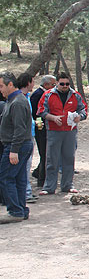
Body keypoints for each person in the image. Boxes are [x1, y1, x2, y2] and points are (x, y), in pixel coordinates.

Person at [37, 72, 87, 195]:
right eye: (62, 84)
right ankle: (49, 186)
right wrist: (53, 118)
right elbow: (41, 111)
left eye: (67, 84)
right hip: (54, 131)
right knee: (52, 159)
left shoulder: (75, 95)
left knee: (69, 158)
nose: (65, 86)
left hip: (70, 131)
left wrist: (79, 117)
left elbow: (84, 110)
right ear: (57, 83)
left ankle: (67, 185)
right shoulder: (48, 95)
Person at [0, 72, 33, 224]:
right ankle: (21, 209)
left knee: (6, 177)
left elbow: (19, 129)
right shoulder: (11, 101)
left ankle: (15, 211)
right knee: (19, 178)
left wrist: (13, 150)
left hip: (17, 146)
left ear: (10, 85)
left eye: (1, 86)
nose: (0, 89)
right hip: (19, 145)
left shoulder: (18, 102)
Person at [30, 75, 55, 188]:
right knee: (44, 154)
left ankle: (38, 172)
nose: (54, 87)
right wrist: (41, 126)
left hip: (46, 127)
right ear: (46, 85)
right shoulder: (38, 95)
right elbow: (36, 113)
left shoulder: (47, 94)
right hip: (40, 128)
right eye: (53, 85)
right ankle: (41, 179)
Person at [16, 73, 36, 202]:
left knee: (27, 165)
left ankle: (26, 191)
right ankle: (24, 193)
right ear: (28, 82)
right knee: (24, 165)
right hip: (24, 137)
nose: (34, 84)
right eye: (33, 81)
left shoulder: (27, 96)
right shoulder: (20, 98)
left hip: (31, 134)